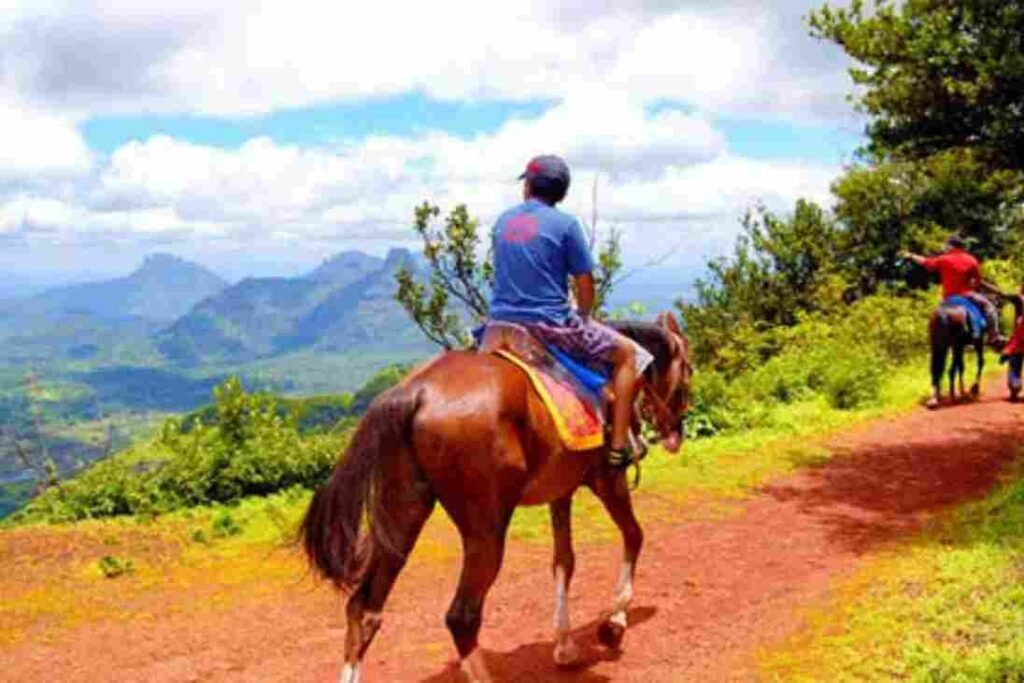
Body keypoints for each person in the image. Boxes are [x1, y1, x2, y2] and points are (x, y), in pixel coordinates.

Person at [488, 154, 641, 467]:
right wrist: (583, 317)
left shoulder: (502, 221)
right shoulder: (567, 224)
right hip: (547, 327)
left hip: (496, 328)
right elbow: (584, 283)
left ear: (528, 186)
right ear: (561, 192)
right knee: (628, 355)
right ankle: (618, 444)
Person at [901, 235, 1006, 348]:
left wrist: (911, 255)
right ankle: (994, 336)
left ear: (950, 246)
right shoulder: (971, 259)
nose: (944, 247)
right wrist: (987, 289)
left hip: (949, 298)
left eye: (946, 245)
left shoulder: (943, 259)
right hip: (967, 295)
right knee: (989, 307)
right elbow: (978, 282)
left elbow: (926, 262)